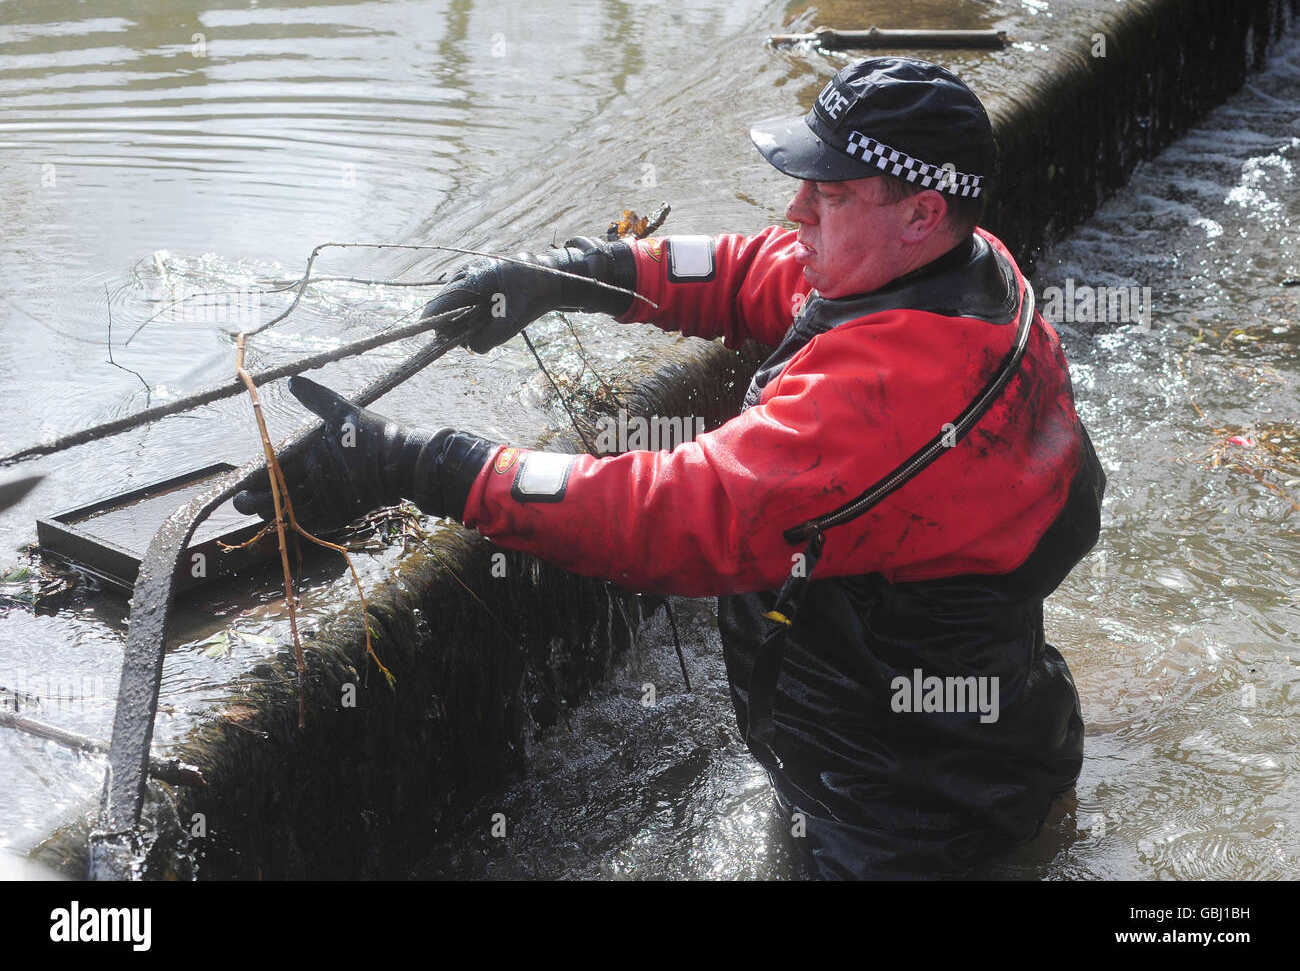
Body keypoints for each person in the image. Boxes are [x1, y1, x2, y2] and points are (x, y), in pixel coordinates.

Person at [235, 57, 1106, 879]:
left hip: (897, 811)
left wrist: (425, 463)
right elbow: (754, 270)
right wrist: (579, 274)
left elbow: (672, 515)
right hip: (982, 727)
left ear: (918, 212)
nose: (798, 210)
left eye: (830, 193)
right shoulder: (963, 269)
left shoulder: (893, 394)